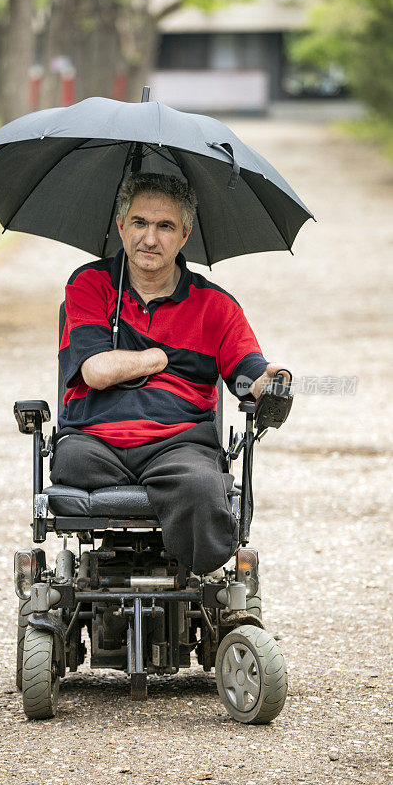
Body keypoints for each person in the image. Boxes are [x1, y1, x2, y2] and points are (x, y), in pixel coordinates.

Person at [50, 172, 290, 574]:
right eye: (140, 223)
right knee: (71, 463)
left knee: (200, 485)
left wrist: (271, 380)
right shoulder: (91, 283)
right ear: (121, 225)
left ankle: (195, 582)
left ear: (185, 234)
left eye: (165, 226)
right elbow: (95, 371)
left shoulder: (216, 306)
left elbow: (247, 373)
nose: (150, 238)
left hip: (178, 445)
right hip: (95, 443)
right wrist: (156, 359)